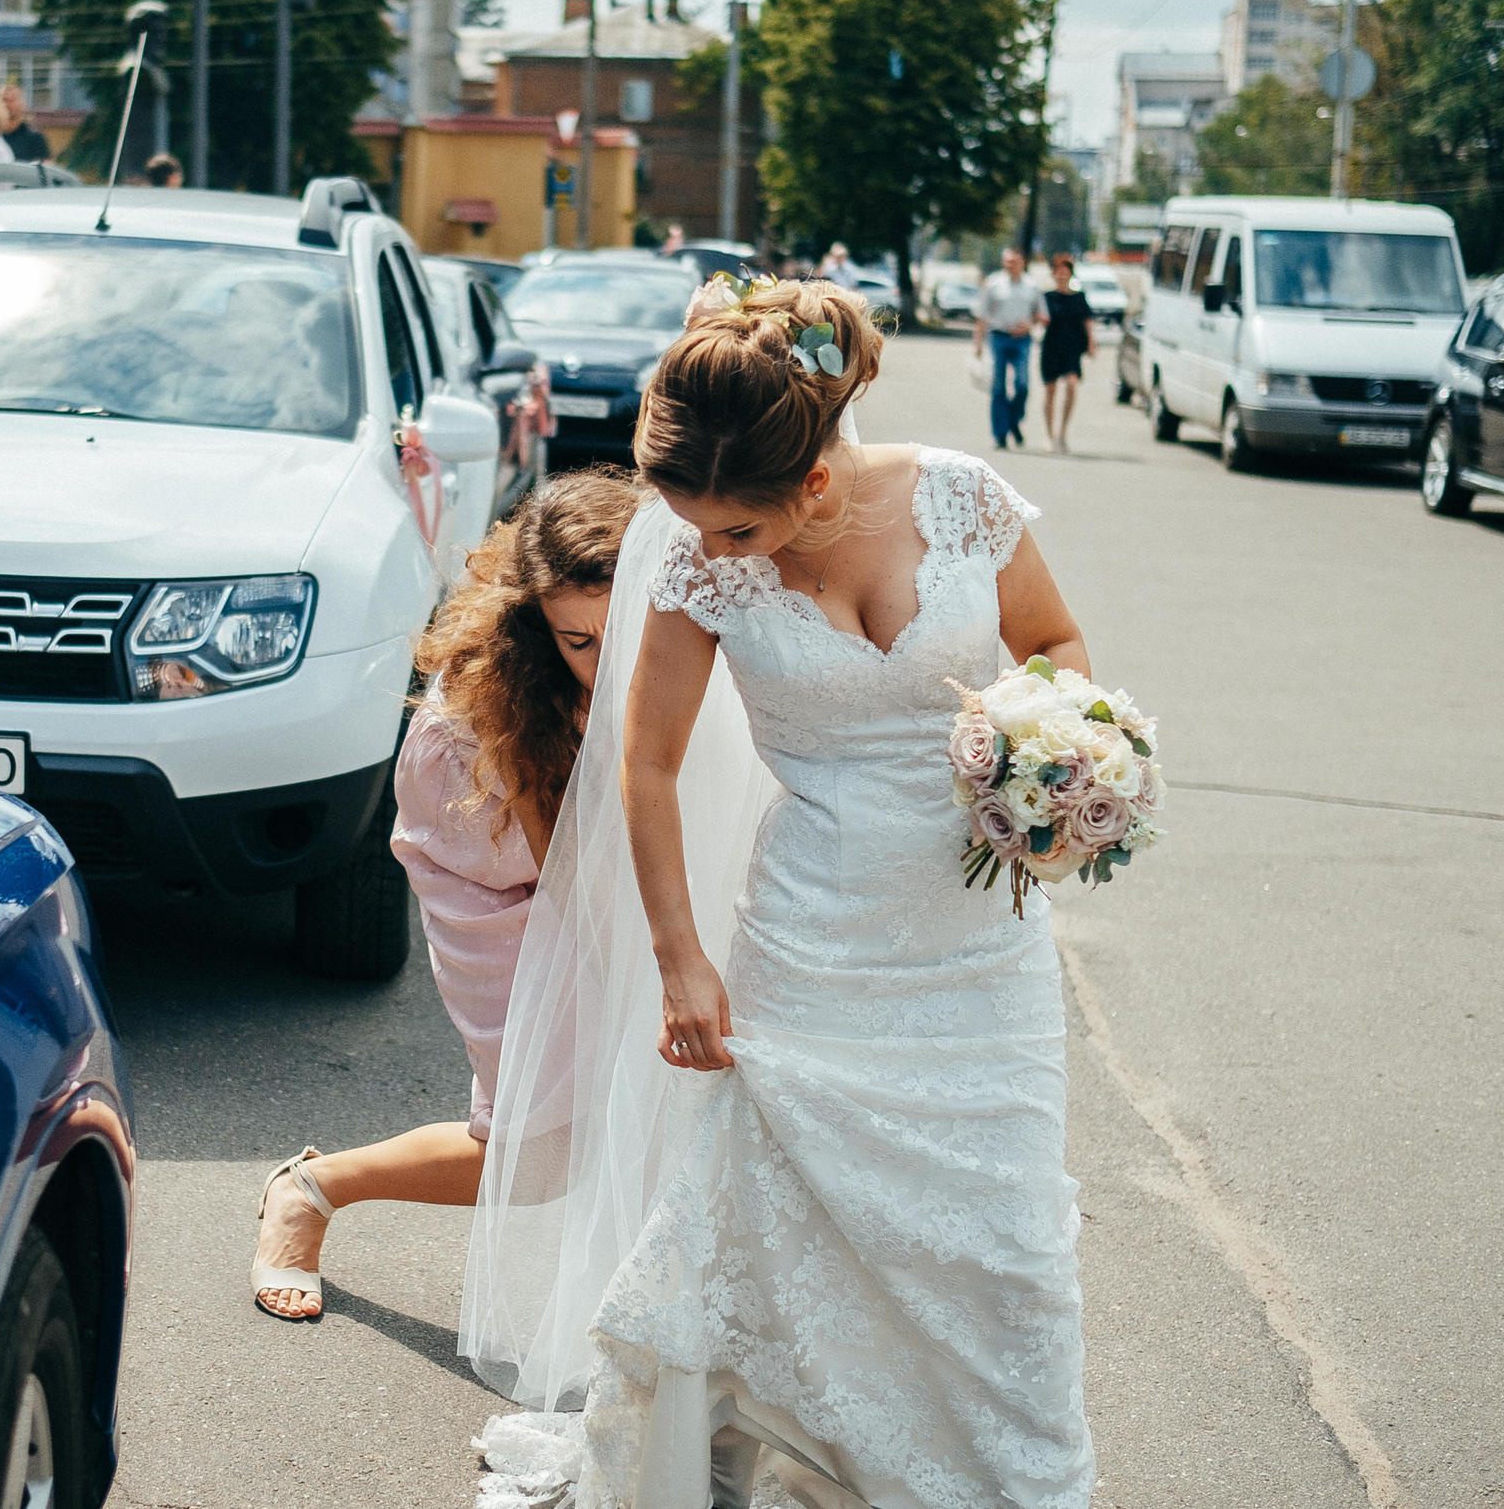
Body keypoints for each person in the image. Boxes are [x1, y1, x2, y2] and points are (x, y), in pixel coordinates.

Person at [469, 276, 1097, 1509]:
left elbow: (1056, 644)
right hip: (810, 948)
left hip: (982, 946)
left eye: (735, 532)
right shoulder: (696, 567)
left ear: (812, 483)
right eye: (691, 526)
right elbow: (646, 765)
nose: (706, 553)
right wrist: (680, 961)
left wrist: (1053, 749)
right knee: (780, 1227)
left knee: (1003, 1244)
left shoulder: (962, 499)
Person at [249, 472, 644, 1323]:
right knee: (539, 1148)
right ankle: (312, 1188)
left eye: (626, 632)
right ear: (535, 624)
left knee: (641, 1104)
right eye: (579, 641)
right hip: (490, 869)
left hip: (597, 857)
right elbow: (574, 880)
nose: (606, 662)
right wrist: (658, 986)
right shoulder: (508, 700)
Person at [973, 245, 1043, 451]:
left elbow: (1041, 314)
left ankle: (1013, 419)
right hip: (998, 337)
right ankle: (1000, 433)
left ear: (1022, 262)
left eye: (1014, 262)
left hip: (1022, 339)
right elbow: (982, 315)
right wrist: (978, 342)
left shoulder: (1031, 286)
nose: (1010, 265)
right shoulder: (994, 284)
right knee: (998, 387)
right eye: (1007, 261)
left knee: (1022, 385)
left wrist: (1029, 325)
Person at [1039, 250, 1096, 453]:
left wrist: (1092, 342)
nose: (1062, 275)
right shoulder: (1047, 297)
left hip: (1072, 347)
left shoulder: (1079, 297)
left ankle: (1063, 433)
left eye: (1065, 271)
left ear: (1071, 274)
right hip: (1051, 346)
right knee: (1051, 390)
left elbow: (1087, 320)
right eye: (1058, 271)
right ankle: (1049, 435)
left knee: (1072, 385)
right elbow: (1039, 317)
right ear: (1053, 274)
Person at [0, 82, 47, 164]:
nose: (6, 104)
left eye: (11, 100)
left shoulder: (34, 138)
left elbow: (46, 166)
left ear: (22, 103)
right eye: (3, 100)